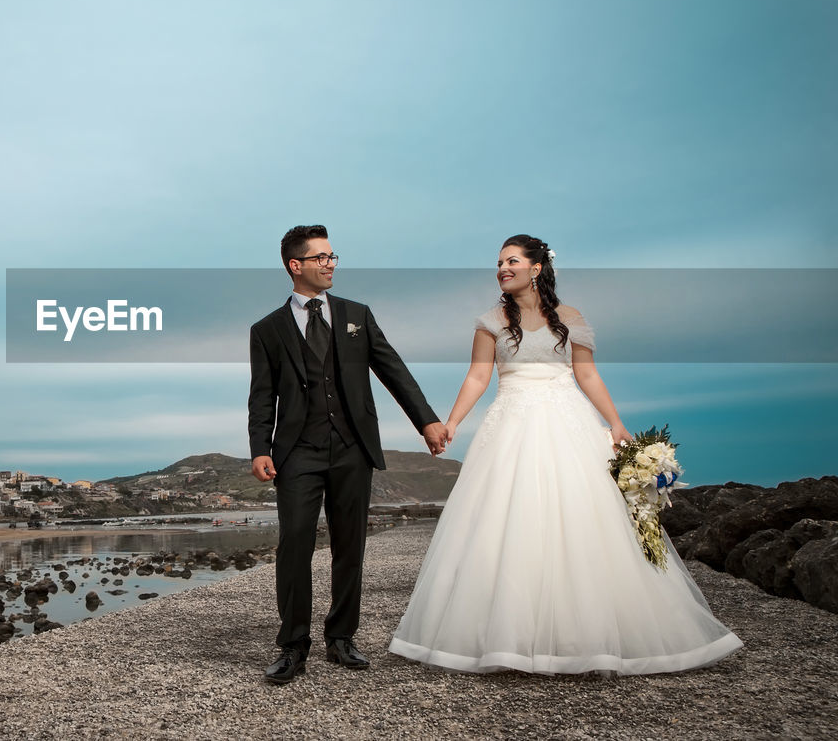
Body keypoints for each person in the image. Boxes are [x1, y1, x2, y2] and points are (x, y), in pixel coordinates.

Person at [388, 234, 742, 675]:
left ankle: (583, 635)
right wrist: (453, 422)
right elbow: (478, 377)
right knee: (508, 519)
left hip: (566, 421)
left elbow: (588, 375)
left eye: (512, 261)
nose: (502, 268)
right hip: (510, 423)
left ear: (537, 267)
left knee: (580, 518)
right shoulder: (490, 321)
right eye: (499, 262)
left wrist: (615, 423)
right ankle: (508, 635)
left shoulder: (571, 319)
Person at [249, 224, 448, 684]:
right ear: (295, 265)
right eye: (320, 257)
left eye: (333, 256)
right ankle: (293, 644)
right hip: (297, 451)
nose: (330, 264)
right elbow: (262, 396)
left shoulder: (357, 314)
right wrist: (260, 448)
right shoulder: (267, 330)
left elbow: (392, 368)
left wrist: (427, 421)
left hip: (353, 447)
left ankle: (341, 637)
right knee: (295, 544)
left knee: (349, 547)